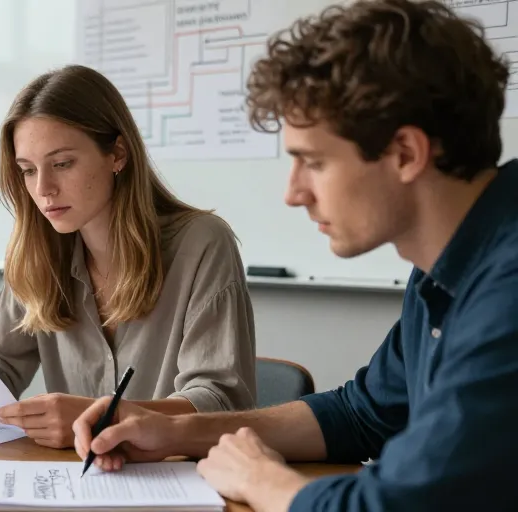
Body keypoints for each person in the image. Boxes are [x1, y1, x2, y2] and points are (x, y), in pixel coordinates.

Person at [72, 1, 518, 510]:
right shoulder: (445, 268)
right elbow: (363, 414)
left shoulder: (508, 285)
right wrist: (175, 430)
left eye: (314, 162)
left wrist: (263, 480)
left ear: (406, 154)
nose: (293, 192)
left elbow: (406, 503)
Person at [0, 64, 257, 447]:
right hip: (71, 480)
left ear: (117, 153)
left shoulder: (202, 244)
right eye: (27, 170)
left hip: (180, 481)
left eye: (62, 164)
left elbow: (221, 402)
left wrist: (108, 417)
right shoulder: (39, 253)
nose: (43, 189)